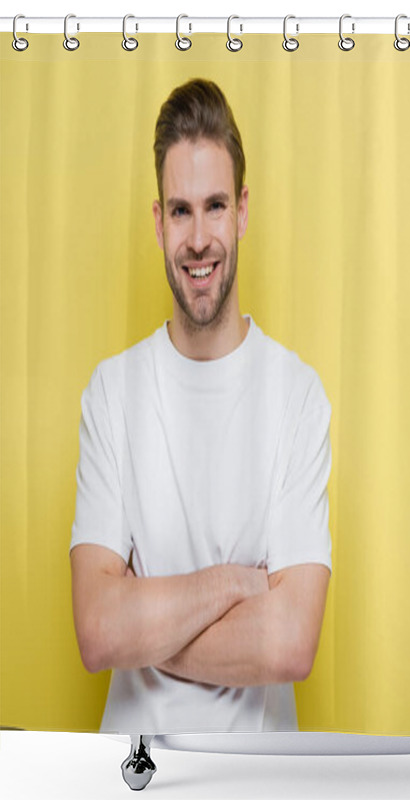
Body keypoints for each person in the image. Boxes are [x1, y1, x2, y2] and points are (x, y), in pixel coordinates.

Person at [69, 78, 332, 734]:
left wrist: (148, 621)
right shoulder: (112, 391)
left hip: (258, 778)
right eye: (180, 211)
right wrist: (234, 585)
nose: (198, 240)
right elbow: (99, 631)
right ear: (158, 222)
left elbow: (290, 643)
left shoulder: (297, 395)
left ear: (241, 211)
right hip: (137, 769)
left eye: (214, 206)